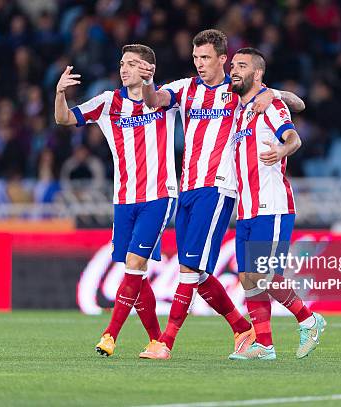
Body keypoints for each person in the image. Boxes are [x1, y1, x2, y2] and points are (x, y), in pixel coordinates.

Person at [137, 29, 305, 360]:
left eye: (206, 58)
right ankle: (242, 327)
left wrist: (275, 96)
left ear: (223, 60)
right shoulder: (185, 89)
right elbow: (153, 100)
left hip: (218, 187)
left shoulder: (235, 89)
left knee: (189, 267)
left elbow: (298, 104)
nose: (200, 64)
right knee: (197, 273)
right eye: (196, 58)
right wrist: (148, 81)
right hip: (186, 188)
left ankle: (165, 342)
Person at [54, 44, 177, 357]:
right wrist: (59, 93)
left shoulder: (165, 99)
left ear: (148, 69)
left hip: (159, 195)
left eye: (133, 64)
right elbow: (64, 119)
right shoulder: (109, 102)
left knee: (135, 265)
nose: (124, 69)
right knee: (134, 271)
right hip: (123, 199)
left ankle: (110, 335)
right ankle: (156, 339)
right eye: (123, 63)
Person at [227, 48, 326, 360]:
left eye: (241, 66)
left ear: (257, 74)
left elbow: (293, 138)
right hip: (246, 208)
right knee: (247, 278)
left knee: (264, 274)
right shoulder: (240, 110)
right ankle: (264, 345)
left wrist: (283, 150)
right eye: (232, 65)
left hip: (272, 205)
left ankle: (309, 320)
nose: (234, 70)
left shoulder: (270, 106)